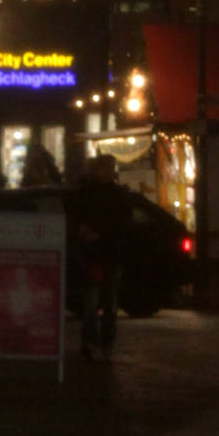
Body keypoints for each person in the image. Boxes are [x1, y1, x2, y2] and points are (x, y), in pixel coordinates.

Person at [68, 143, 134, 357]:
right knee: (97, 301)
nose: (107, 172)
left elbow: (122, 223)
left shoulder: (94, 194)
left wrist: (92, 232)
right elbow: (122, 223)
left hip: (103, 253)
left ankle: (99, 342)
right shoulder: (109, 194)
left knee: (100, 301)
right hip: (102, 253)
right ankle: (98, 342)